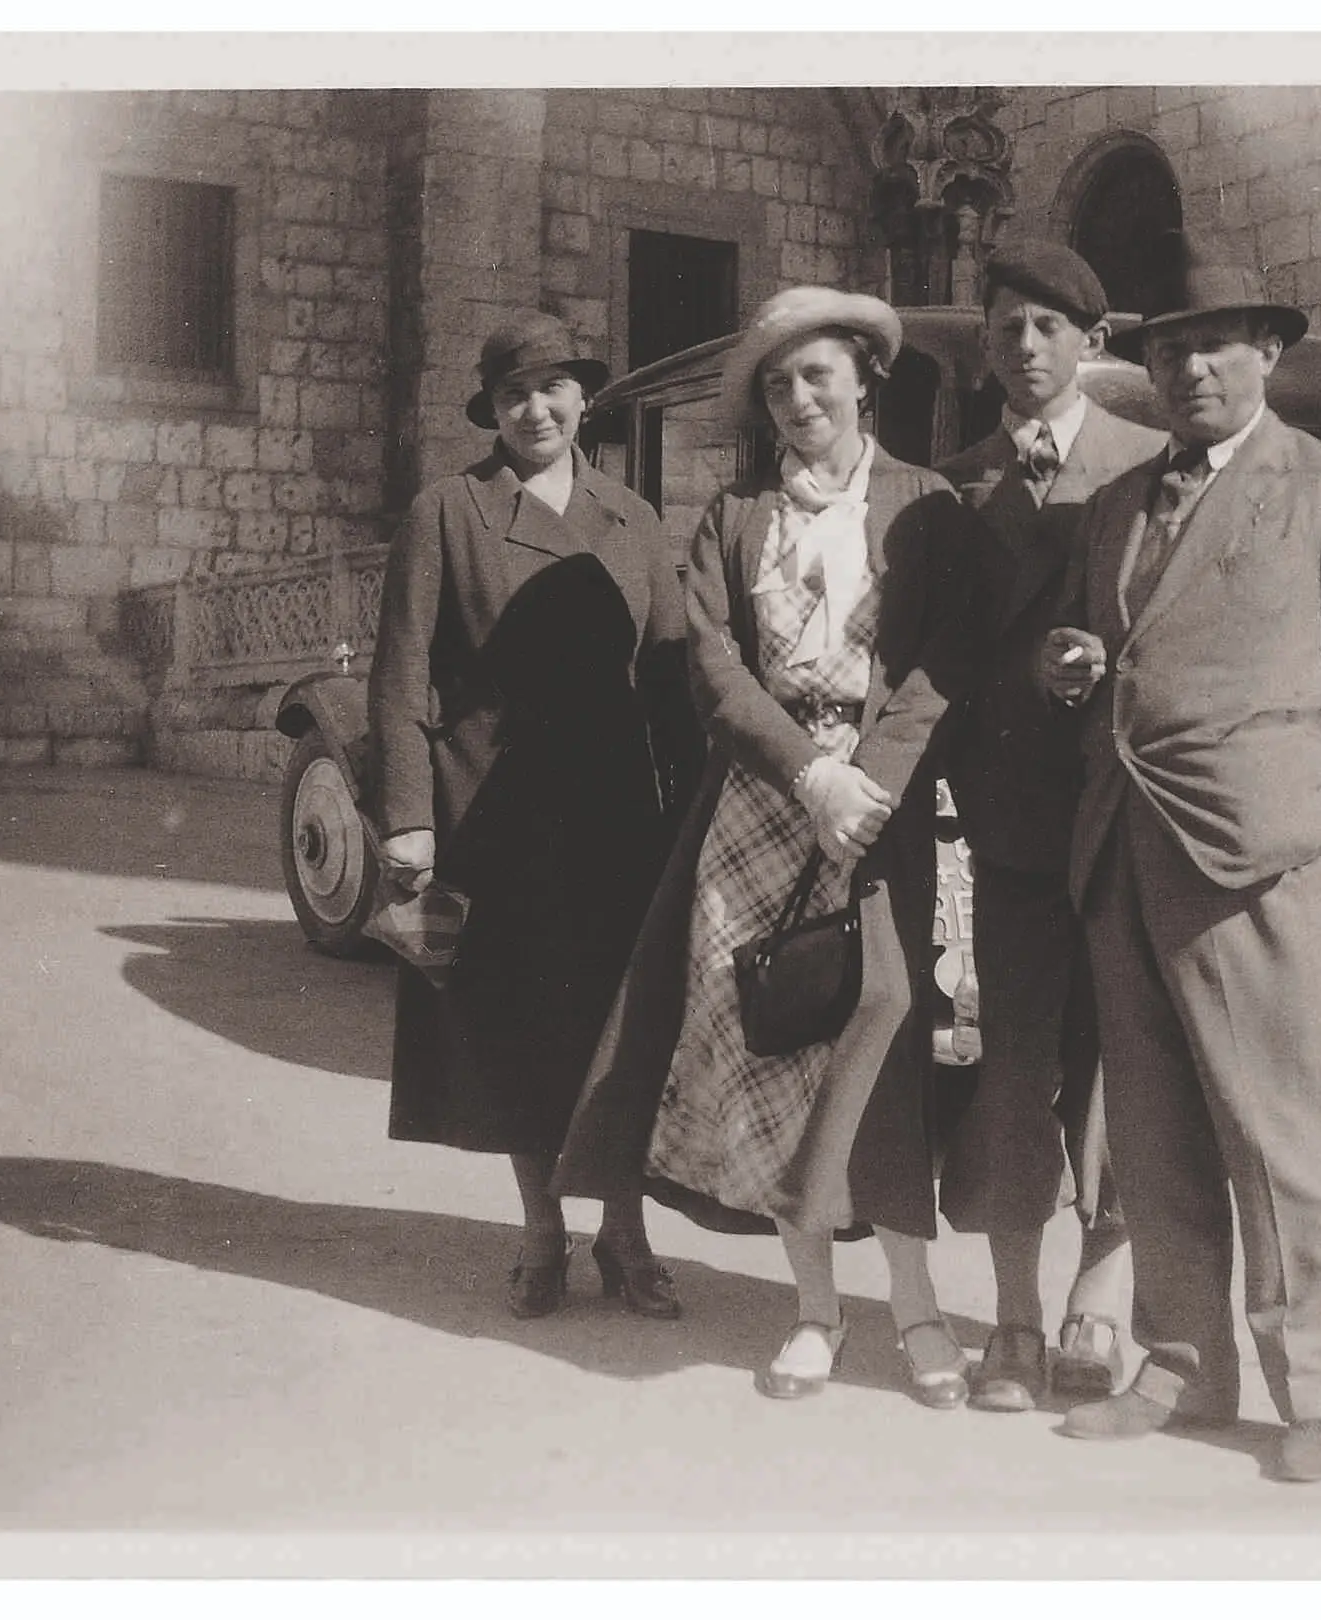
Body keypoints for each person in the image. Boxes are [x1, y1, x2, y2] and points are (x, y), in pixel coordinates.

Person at [1036, 250, 1321, 1483]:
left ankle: (1314, 1386)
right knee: (1152, 1135)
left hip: (1252, 854)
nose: (1191, 367)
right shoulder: (1114, 503)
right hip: (1121, 846)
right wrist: (1067, 665)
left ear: (1268, 353)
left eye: (1217, 346)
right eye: (1168, 350)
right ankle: (1184, 1366)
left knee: (1276, 1134)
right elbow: (1108, 652)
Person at [553, 286, 974, 1408]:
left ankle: (919, 1311)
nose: (798, 399)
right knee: (776, 1040)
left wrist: (865, 786)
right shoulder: (734, 515)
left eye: (817, 375)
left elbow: (938, 666)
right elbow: (715, 667)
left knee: (877, 1029)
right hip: (761, 803)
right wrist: (809, 773)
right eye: (778, 384)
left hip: (876, 817)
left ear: (863, 379)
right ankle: (815, 1313)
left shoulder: (924, 504)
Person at [368, 309, 701, 1324]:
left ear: (583, 397)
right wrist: (409, 820)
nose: (535, 407)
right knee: (517, 1032)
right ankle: (543, 1231)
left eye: (553, 387)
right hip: (493, 816)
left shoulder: (633, 517)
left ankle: (627, 1232)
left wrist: (694, 818)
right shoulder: (448, 511)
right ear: (493, 409)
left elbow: (676, 673)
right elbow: (401, 675)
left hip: (614, 821)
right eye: (514, 393)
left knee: (621, 1032)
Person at [933, 242, 1166, 1415]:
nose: (1024, 349)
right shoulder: (958, 479)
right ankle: (1013, 1318)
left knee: (1126, 1062)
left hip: (1125, 817)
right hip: (1012, 825)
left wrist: (1103, 661)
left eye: (1047, 329)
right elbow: (939, 659)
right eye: (1006, 329)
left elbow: (1184, 633)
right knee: (1014, 1070)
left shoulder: (1151, 466)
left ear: (1093, 344)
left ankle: (1100, 1299)